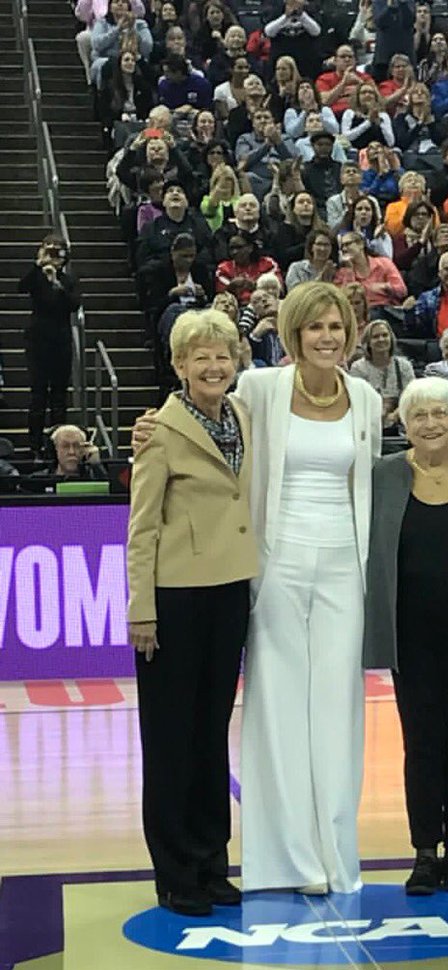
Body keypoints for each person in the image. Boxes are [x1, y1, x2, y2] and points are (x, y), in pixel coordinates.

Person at [236, 282, 382, 894]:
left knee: (338, 707)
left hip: (345, 564)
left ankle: (334, 855)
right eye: (315, 326)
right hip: (278, 561)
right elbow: (209, 427)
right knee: (276, 705)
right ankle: (287, 860)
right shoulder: (260, 388)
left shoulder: (366, 397)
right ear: (293, 335)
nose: (328, 337)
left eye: (336, 326)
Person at [126, 309, 255, 916]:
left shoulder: (244, 415)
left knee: (210, 735)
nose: (213, 366)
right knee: (171, 740)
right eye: (200, 356)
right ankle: (175, 873)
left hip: (230, 592)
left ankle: (210, 863)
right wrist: (141, 610)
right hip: (174, 600)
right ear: (179, 365)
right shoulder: (160, 431)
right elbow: (142, 527)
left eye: (222, 355)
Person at [364, 377, 448, 895]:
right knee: (420, 744)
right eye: (418, 415)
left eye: (440, 413)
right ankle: (425, 852)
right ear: (404, 425)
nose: (430, 424)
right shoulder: (383, 475)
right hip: (409, 635)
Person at [18, 236, 82, 458]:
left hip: (60, 342)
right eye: (50, 251)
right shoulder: (36, 276)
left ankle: (58, 447)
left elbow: (74, 304)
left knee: (59, 397)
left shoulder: (68, 280)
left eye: (58, 252)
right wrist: (38, 264)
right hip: (38, 342)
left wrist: (56, 283)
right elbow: (21, 287)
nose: (54, 257)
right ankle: (34, 446)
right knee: (38, 396)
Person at [349, 319, 415, 406]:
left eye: (385, 335)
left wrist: (395, 413)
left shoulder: (404, 366)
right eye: (375, 337)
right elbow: (358, 400)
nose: (381, 339)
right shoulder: (358, 368)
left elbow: (411, 399)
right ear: (368, 342)